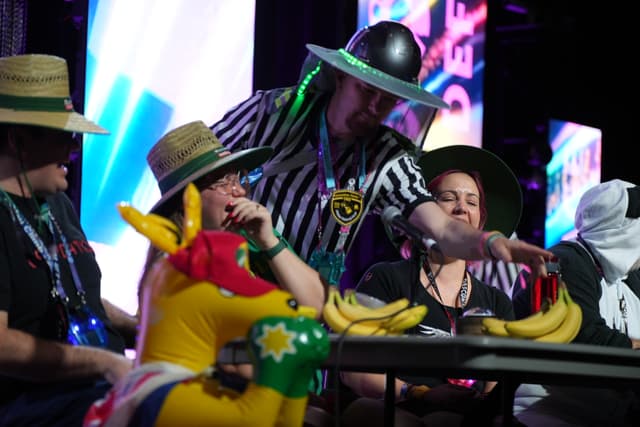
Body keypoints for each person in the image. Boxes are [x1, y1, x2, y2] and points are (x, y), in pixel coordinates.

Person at [210, 20, 552, 289]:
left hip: (302, 308)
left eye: (387, 100)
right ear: (341, 77)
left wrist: (492, 244)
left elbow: (443, 228)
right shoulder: (272, 111)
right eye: (366, 90)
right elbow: (195, 167)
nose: (374, 108)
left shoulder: (388, 158)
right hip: (225, 283)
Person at [143, 120, 331, 425]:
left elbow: (318, 307)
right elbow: (230, 362)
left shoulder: (251, 239)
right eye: (223, 183)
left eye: (238, 179)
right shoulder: (176, 264)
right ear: (188, 200)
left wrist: (269, 241)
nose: (240, 191)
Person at [339, 145, 523, 426]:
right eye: (448, 198)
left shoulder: (496, 302)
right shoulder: (388, 280)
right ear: (424, 213)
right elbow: (354, 372)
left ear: (482, 221)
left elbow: (496, 385)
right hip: (401, 411)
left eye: (472, 202)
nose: (461, 207)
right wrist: (421, 394)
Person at [0, 54, 134, 426]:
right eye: (63, 137)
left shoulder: (58, 204)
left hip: (92, 387)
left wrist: (142, 327)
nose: (73, 150)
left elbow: (75, 296)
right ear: (18, 139)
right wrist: (107, 363)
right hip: (32, 404)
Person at [511, 178, 640, 427]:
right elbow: (584, 337)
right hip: (547, 414)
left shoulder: (628, 276)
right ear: (624, 230)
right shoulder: (563, 261)